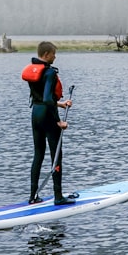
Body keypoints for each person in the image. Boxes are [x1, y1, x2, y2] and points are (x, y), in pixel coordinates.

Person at [22, 41, 73, 205]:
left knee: (38, 155)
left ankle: (33, 197)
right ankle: (58, 197)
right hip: (48, 115)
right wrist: (59, 121)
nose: (55, 56)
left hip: (35, 114)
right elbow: (47, 99)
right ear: (46, 55)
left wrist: (61, 103)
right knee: (56, 155)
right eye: (53, 54)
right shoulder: (50, 72)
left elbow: (41, 99)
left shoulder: (35, 70)